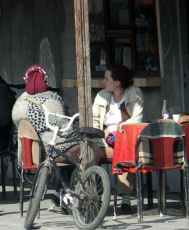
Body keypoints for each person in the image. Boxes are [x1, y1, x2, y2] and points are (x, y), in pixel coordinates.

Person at [12, 65, 79, 210]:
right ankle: (64, 195)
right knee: (75, 150)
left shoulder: (20, 102)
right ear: (45, 80)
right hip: (48, 152)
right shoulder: (52, 100)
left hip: (28, 154)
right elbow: (62, 124)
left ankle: (57, 195)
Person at [91, 64, 143, 215]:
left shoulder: (135, 94)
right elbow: (95, 122)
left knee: (126, 148)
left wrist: (114, 130)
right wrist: (101, 135)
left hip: (125, 139)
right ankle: (95, 195)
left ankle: (125, 199)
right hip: (103, 142)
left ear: (117, 83)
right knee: (88, 152)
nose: (103, 82)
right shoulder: (101, 96)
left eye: (106, 79)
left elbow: (137, 120)